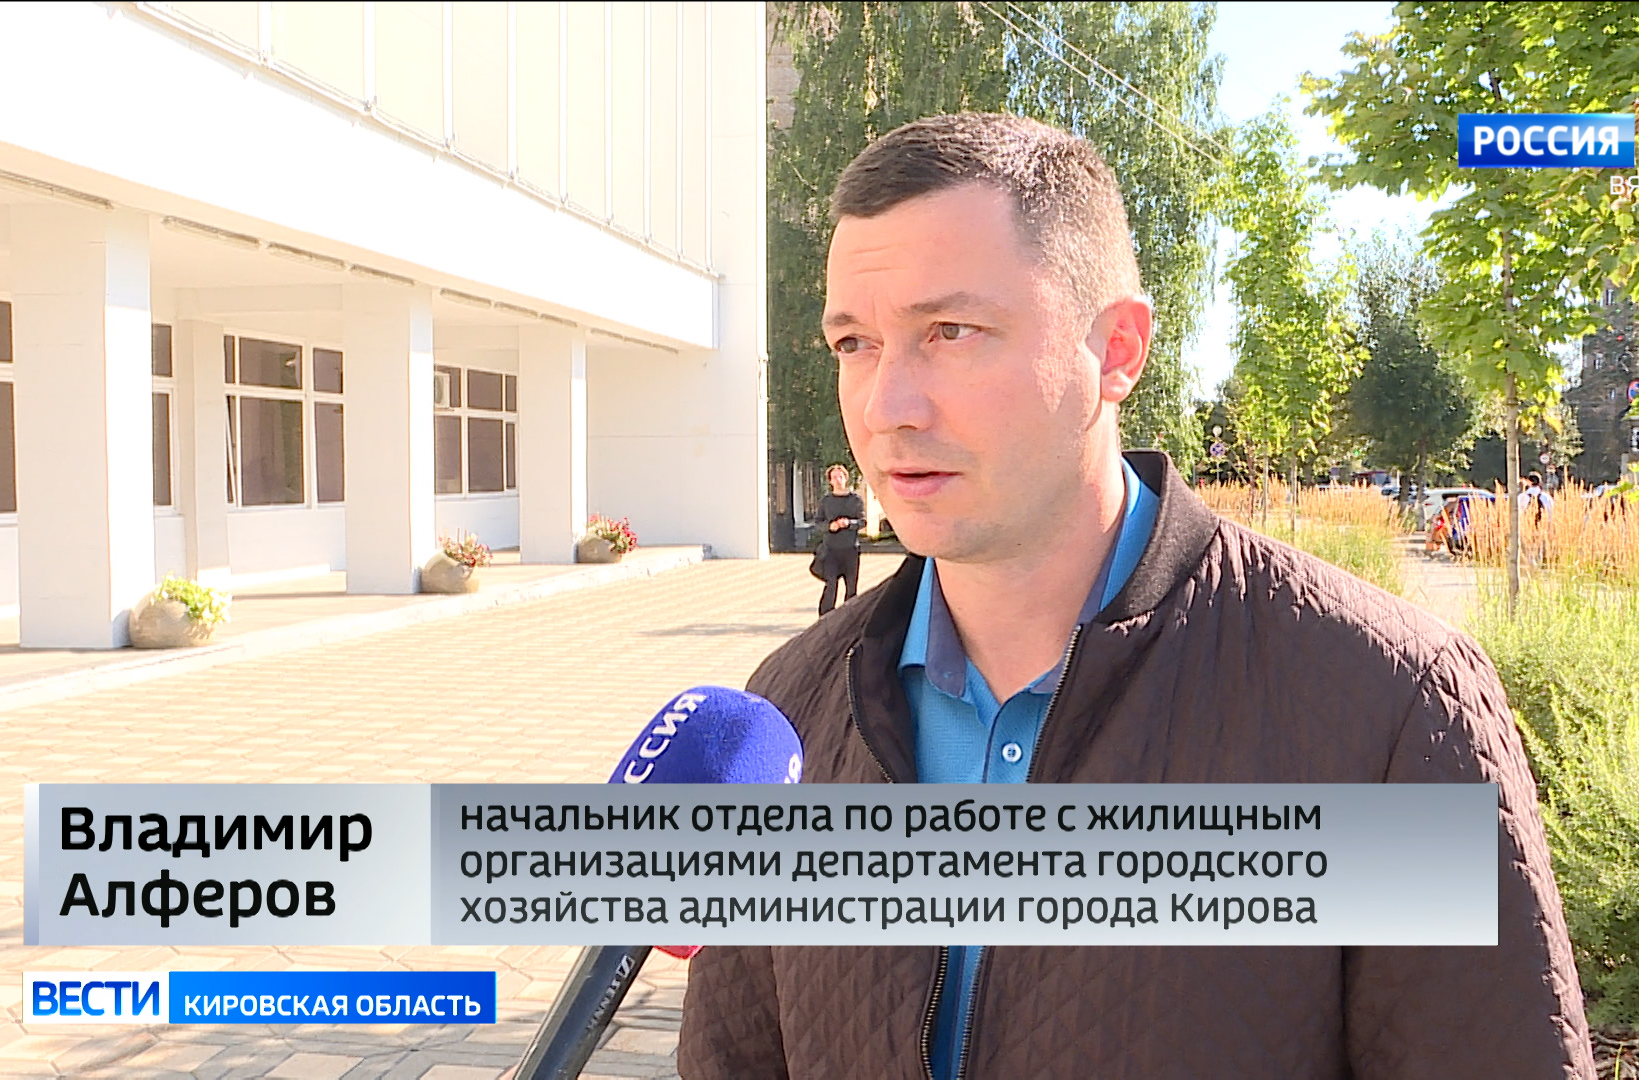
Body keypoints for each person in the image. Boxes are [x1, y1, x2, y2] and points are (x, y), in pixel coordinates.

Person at [679, 113, 1591, 1078]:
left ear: (1117, 350)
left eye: (950, 332)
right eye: (855, 343)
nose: (886, 406)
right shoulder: (784, 713)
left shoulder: (1389, 708)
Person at [815, 464, 866, 615]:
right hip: (830, 550)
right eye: (834, 477)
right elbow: (818, 522)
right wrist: (829, 526)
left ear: (846, 478)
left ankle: (850, 617)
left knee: (851, 587)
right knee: (830, 585)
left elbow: (862, 521)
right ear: (830, 481)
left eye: (841, 477)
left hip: (850, 549)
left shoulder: (855, 500)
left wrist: (849, 523)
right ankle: (825, 616)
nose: (838, 480)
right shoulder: (826, 501)